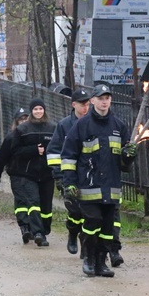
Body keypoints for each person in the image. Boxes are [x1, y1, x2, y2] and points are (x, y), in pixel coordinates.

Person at [61, 84, 136, 278]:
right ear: (92, 101)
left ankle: (101, 262)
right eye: (100, 98)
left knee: (107, 228)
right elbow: (69, 156)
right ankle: (88, 259)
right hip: (88, 187)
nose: (104, 101)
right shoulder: (81, 126)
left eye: (107, 98)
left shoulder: (119, 126)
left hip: (111, 188)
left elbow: (124, 165)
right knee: (92, 221)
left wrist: (129, 156)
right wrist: (69, 183)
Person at [0, 98, 56, 247]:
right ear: (32, 112)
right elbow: (11, 152)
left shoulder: (53, 127)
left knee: (46, 207)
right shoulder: (22, 130)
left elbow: (60, 147)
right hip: (26, 174)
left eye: (40, 109)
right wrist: (35, 150)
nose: (38, 111)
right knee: (32, 203)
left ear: (44, 110)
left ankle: (44, 229)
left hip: (47, 174)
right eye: (35, 109)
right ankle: (36, 232)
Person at [46, 89, 92, 258]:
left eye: (87, 104)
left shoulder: (93, 123)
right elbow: (53, 152)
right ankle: (73, 232)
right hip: (70, 177)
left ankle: (86, 247)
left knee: (90, 213)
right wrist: (59, 177)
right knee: (75, 212)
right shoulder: (64, 125)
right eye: (82, 104)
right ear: (74, 105)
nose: (85, 108)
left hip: (89, 176)